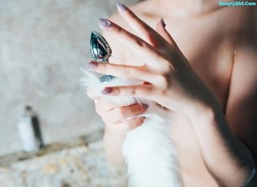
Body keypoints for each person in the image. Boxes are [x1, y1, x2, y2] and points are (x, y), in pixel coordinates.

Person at [85, 1, 257, 186]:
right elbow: (117, 156)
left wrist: (201, 108)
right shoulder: (122, 25)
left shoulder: (246, 19)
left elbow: (241, 178)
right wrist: (116, 121)